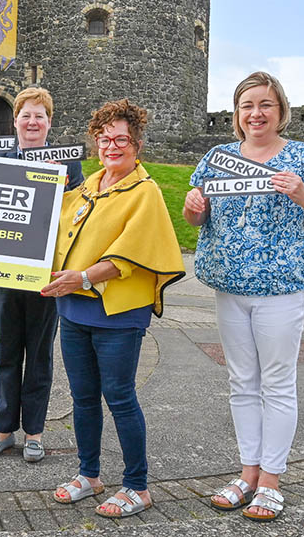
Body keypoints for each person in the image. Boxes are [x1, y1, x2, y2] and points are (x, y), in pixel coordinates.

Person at [184, 71, 304, 522]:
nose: (256, 114)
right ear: (236, 114)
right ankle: (247, 473)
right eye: (247, 106)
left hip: (280, 290)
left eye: (265, 105)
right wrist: (193, 209)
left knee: (277, 384)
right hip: (228, 286)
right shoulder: (218, 157)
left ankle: (272, 479)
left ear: (281, 111)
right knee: (241, 383)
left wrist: (303, 197)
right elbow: (196, 215)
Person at [42, 99, 184, 518]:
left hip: (118, 313)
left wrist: (83, 277)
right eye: (104, 139)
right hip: (73, 310)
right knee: (83, 397)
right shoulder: (85, 188)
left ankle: (137, 486)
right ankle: (89, 474)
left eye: (121, 139)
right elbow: (52, 234)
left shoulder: (145, 192)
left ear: (137, 144)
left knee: (119, 396)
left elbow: (132, 254)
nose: (112, 146)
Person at [0, 87, 84, 463]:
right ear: (16, 122)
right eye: (26, 115)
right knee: (7, 352)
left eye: (40, 116)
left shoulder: (69, 166)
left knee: (39, 354)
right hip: (6, 269)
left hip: (46, 272)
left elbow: (77, 219)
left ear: (49, 122)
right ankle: (3, 429)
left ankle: (34, 432)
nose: (32, 122)